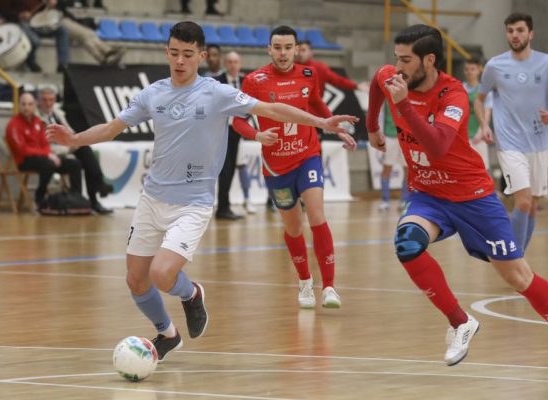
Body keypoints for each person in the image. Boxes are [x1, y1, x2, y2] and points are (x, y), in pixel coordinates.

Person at [47, 21, 357, 360]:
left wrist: (322, 123)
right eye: (175, 54)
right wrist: (75, 139)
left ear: (202, 56)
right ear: (167, 53)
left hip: (193, 203)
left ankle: (192, 294)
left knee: (162, 273)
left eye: (188, 55)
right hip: (152, 199)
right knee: (136, 281)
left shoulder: (217, 93)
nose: (180, 61)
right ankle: (167, 333)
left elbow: (271, 110)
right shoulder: (153, 93)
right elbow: (112, 128)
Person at [366, 24, 548, 380]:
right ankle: (461, 322)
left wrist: (404, 106)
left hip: (473, 197)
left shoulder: (452, 95)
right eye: (396, 58)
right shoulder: (394, 78)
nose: (397, 67)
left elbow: (438, 145)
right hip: (428, 195)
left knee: (518, 277)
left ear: (429, 59)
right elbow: (379, 86)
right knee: (407, 245)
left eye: (406, 60)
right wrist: (372, 128)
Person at [232, 25, 356, 310]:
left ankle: (329, 288)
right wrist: (256, 135)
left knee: (316, 215)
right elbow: (238, 120)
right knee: (293, 227)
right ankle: (304, 282)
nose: (283, 53)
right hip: (276, 167)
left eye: (288, 47)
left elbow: (316, 105)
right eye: (278, 47)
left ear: (296, 49)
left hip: (308, 155)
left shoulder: (308, 74)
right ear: (269, 49)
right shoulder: (254, 80)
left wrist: (336, 129)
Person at [474, 13, 548, 254]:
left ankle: (519, 256)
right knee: (523, 201)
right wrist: (485, 124)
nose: (514, 35)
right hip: (509, 143)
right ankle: (512, 258)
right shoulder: (495, 65)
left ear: (530, 33)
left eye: (519, 30)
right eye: (510, 31)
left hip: (539, 143)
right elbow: (479, 99)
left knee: (533, 206)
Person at [37, 87, 113, 214]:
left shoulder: (58, 113)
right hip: (51, 151)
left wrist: (74, 142)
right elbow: (43, 142)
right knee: (83, 153)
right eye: (44, 100)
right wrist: (69, 146)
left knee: (86, 150)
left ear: (55, 100)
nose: (48, 103)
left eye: (51, 100)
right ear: (39, 100)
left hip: (64, 146)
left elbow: (70, 132)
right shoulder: (35, 117)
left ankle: (94, 198)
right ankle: (98, 189)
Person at [6, 92, 83, 210]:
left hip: (43, 158)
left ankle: (76, 197)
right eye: (24, 104)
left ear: (34, 105)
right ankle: (40, 196)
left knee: (74, 164)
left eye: (30, 104)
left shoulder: (37, 121)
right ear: (19, 105)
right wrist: (48, 154)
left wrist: (50, 154)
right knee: (49, 164)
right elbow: (22, 150)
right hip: (24, 160)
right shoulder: (13, 125)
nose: (27, 107)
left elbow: (44, 143)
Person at [213, 50, 246, 220]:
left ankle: (225, 206)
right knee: (224, 170)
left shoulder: (245, 81)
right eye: (230, 61)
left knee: (232, 168)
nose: (233, 65)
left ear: (240, 64)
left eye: (236, 61)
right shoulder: (218, 82)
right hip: (221, 131)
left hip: (237, 131)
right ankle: (222, 207)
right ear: (226, 64)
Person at [0, 0, 70, 72]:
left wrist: (51, 5)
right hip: (20, 22)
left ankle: (63, 64)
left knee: (62, 31)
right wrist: (19, 15)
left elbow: (44, 7)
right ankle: (31, 61)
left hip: (38, 21)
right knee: (35, 41)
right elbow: (3, 10)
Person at [56, 1, 125, 65]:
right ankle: (107, 51)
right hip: (56, 22)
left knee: (88, 36)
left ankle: (103, 59)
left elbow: (65, 11)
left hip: (63, 20)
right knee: (85, 34)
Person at [297, 40, 368, 92]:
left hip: (313, 108)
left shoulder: (319, 68)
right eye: (298, 50)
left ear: (311, 52)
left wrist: (356, 86)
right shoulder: (291, 67)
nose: (300, 53)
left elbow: (337, 80)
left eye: (303, 50)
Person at [377, 102, 408, 212]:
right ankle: (385, 201)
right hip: (390, 136)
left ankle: (404, 201)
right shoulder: (386, 96)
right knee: (387, 168)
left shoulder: (411, 92)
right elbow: (379, 115)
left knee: (408, 170)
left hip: (407, 136)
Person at [462, 58, 492, 170]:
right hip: (463, 137)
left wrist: (480, 133)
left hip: (479, 137)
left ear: (479, 70)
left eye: (472, 69)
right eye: (466, 69)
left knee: (482, 169)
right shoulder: (459, 88)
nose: (469, 72)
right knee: (463, 171)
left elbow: (487, 113)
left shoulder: (484, 90)